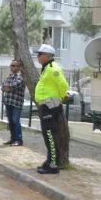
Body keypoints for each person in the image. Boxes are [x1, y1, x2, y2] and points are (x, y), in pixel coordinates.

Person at [34, 44, 69, 175]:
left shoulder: (53, 68)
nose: (38, 57)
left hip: (50, 106)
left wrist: (59, 98)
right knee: (48, 135)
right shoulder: (46, 68)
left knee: (50, 135)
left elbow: (63, 85)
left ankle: (53, 164)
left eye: (40, 54)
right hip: (46, 105)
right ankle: (50, 161)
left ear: (47, 56)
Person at [2, 60, 25, 146]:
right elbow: (3, 87)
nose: (13, 67)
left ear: (19, 67)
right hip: (8, 102)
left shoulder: (21, 77)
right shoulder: (9, 76)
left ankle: (19, 140)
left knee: (16, 121)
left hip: (16, 103)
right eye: (11, 65)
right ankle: (13, 139)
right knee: (11, 121)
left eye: (15, 66)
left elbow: (14, 85)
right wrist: (8, 86)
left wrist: (8, 86)